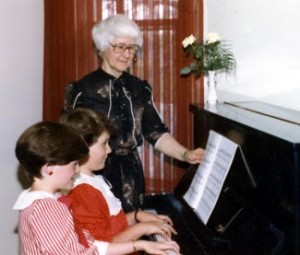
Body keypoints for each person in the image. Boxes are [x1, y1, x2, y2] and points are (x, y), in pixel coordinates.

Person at [64, 13, 205, 212]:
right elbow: (68, 141)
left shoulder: (140, 88)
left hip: (132, 174)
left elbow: (156, 132)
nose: (127, 54)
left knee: (133, 225)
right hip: (92, 174)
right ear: (102, 47)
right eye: (120, 46)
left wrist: (185, 154)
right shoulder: (82, 89)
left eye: (132, 47)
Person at [13, 121, 180, 255]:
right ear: (48, 168)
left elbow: (89, 245)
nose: (78, 170)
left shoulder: (44, 200)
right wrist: (138, 244)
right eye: (74, 165)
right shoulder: (46, 209)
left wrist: (140, 245)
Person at [60, 107, 178, 245]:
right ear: (82, 147)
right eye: (104, 143)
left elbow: (111, 224)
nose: (109, 150)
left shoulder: (92, 181)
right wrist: (142, 229)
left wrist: (137, 216)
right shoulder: (83, 191)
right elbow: (103, 246)